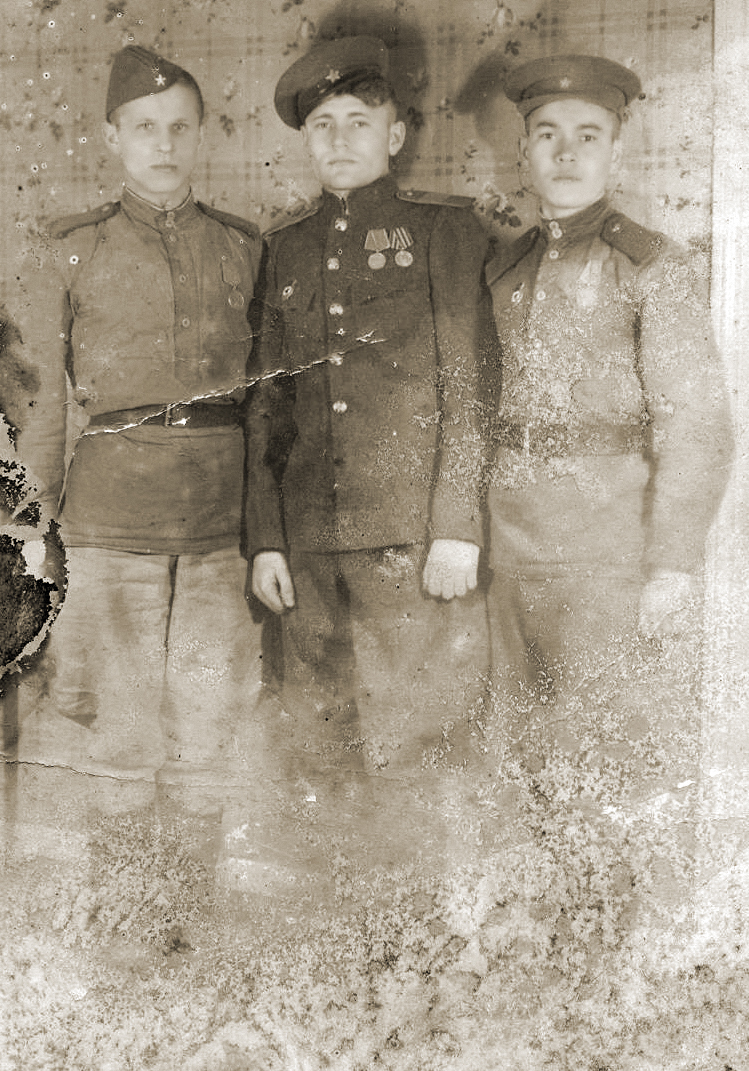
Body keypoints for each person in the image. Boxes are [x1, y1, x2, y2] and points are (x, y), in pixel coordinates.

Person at [245, 36, 498, 863]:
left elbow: (469, 388)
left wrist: (455, 526)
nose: (339, 139)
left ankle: (414, 921)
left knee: (413, 747)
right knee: (320, 745)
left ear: (395, 134)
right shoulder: (284, 248)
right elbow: (267, 407)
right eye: (322, 124)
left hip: (409, 543)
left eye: (358, 120)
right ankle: (334, 913)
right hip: (309, 544)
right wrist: (267, 538)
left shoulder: (442, 232)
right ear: (304, 140)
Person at [13, 46, 268, 831]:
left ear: (201, 137)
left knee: (207, 731)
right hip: (111, 521)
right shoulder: (70, 246)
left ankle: (190, 902)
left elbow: (267, 400)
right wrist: (36, 526)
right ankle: (126, 902)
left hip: (220, 523)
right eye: (145, 127)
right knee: (121, 734)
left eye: (179, 128)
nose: (163, 144)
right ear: (111, 137)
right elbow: (41, 404)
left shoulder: (244, 246)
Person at [483, 55, 733, 822]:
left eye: (587, 135)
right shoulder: (502, 268)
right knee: (515, 750)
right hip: (511, 544)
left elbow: (696, 423)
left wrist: (671, 562)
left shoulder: (650, 265)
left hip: (608, 550)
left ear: (615, 154)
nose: (565, 153)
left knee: (600, 754)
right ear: (523, 153)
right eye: (546, 134)